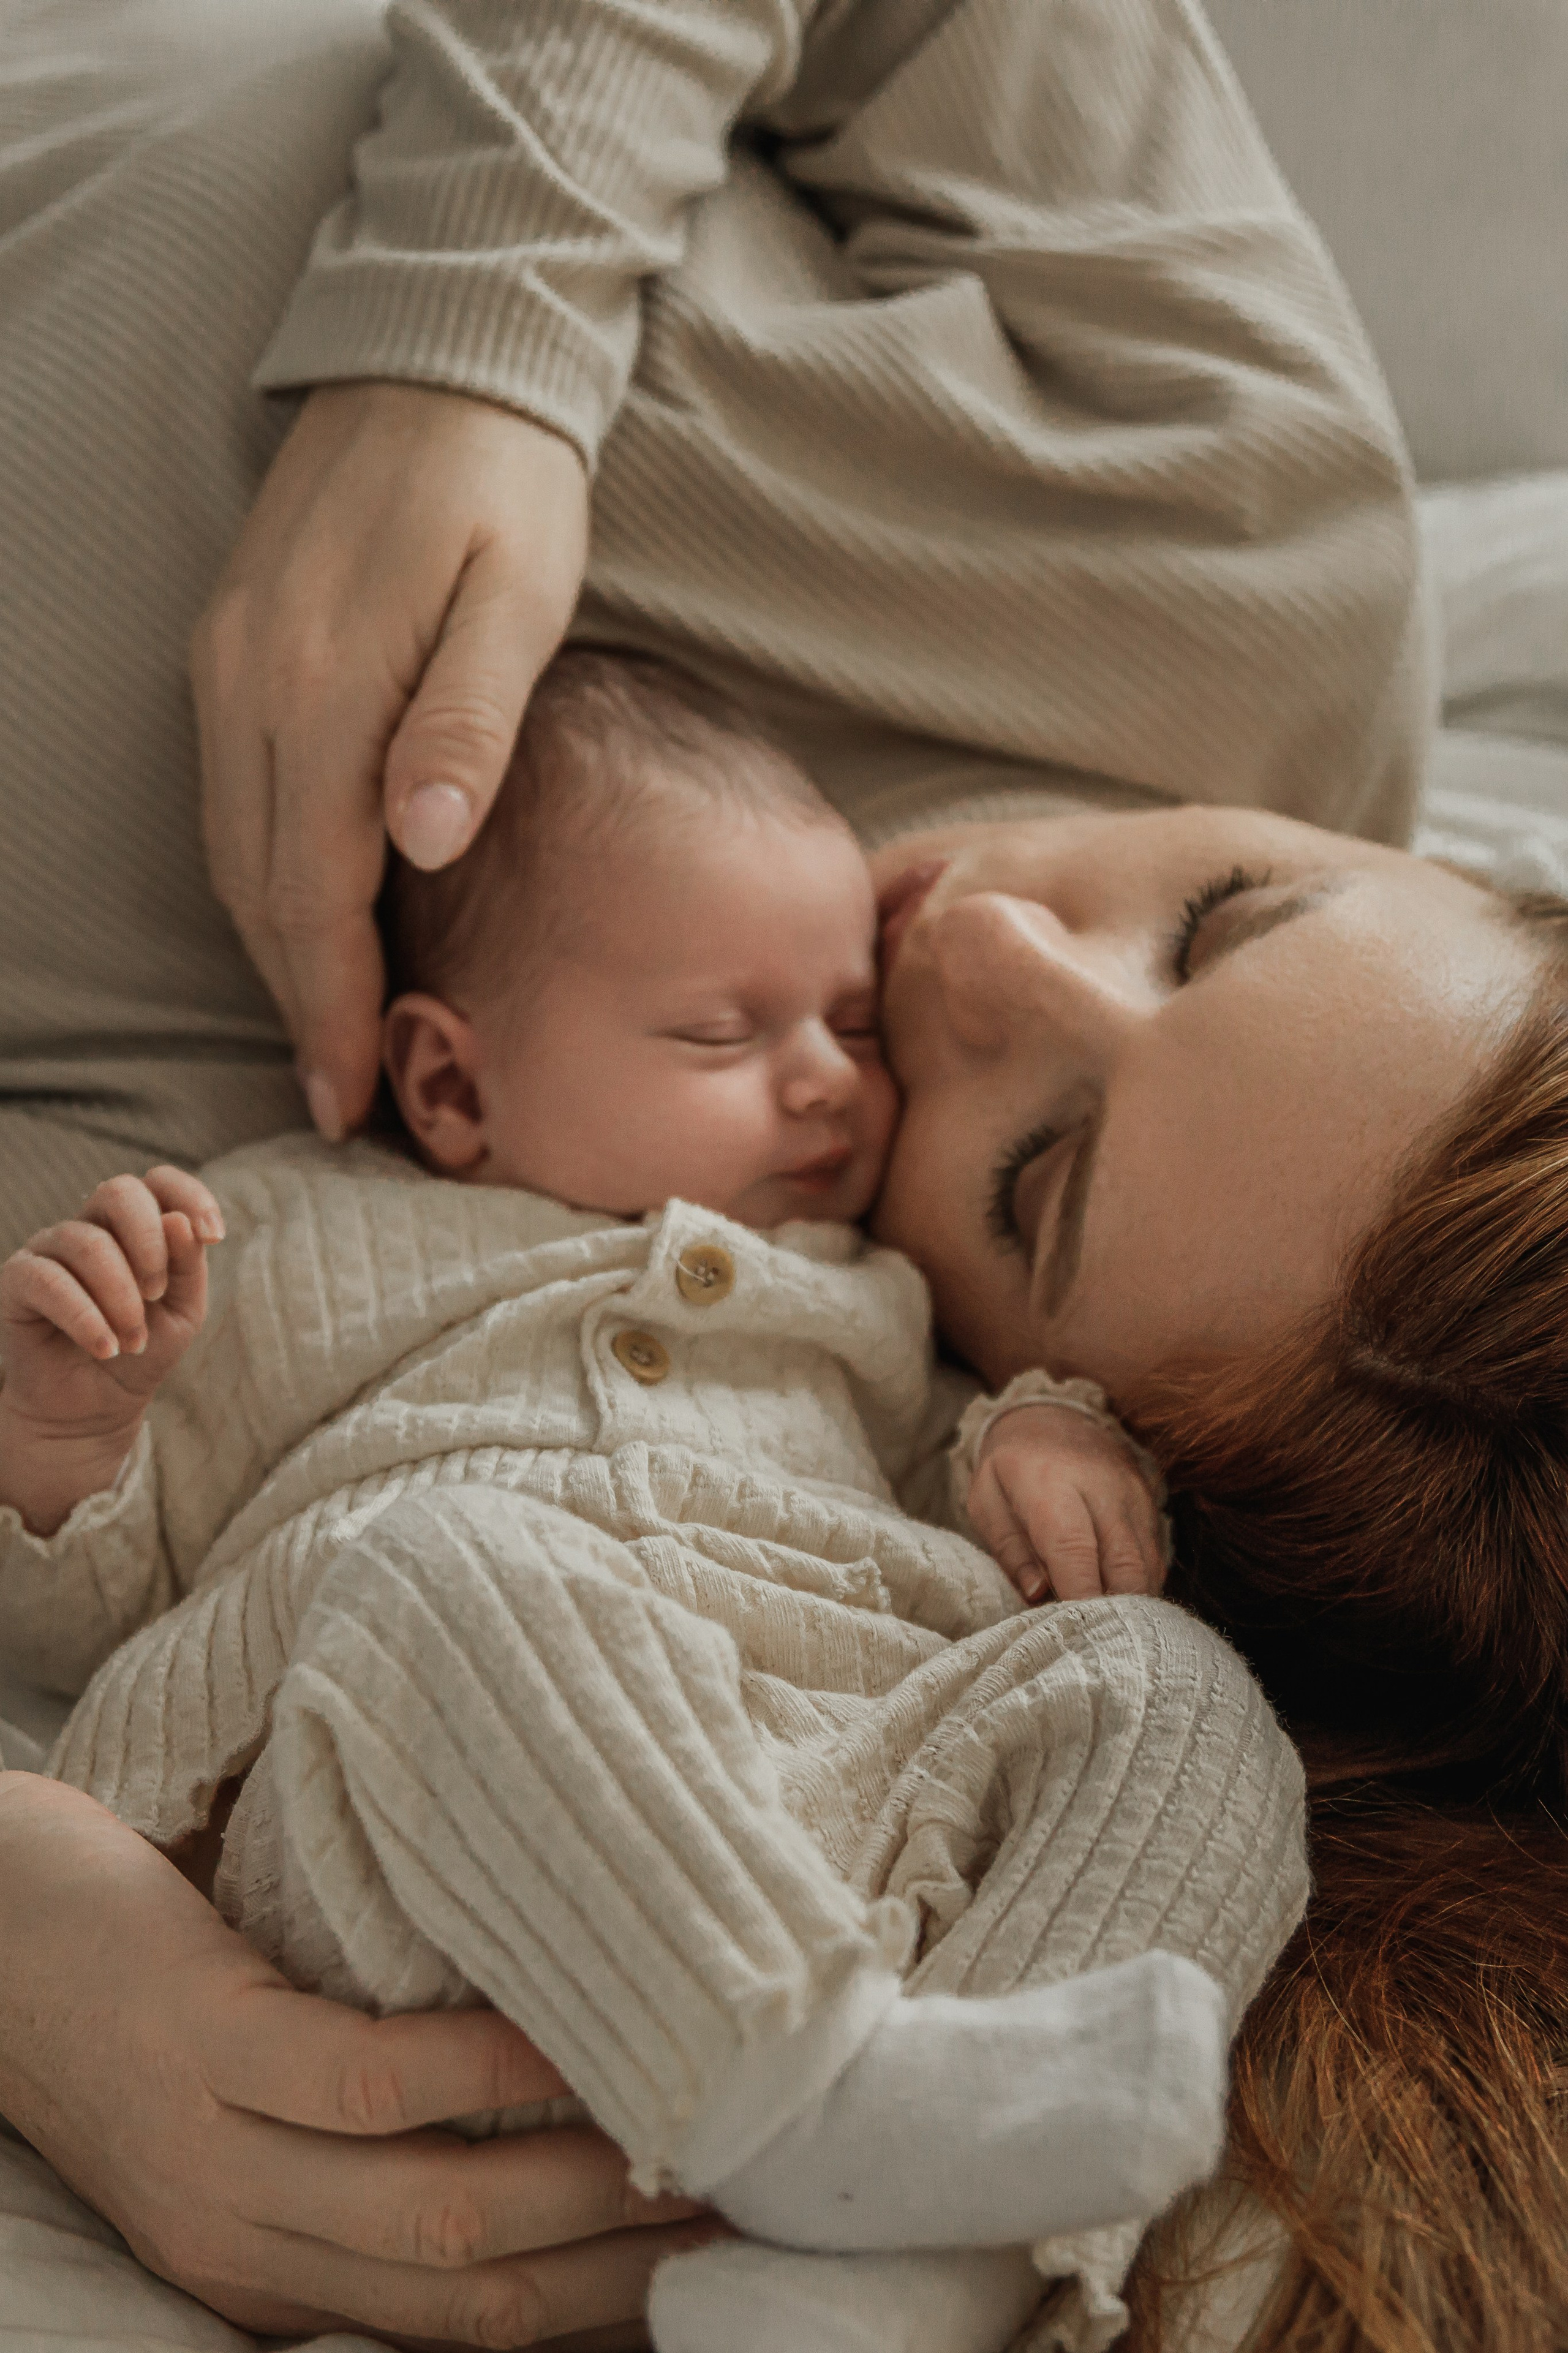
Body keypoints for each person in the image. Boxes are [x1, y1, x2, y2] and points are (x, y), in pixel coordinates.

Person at [4, 0, 1536, 2349]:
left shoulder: (299, 1255)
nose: (994, 937)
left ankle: (926, 2174)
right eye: (1235, 909)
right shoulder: (1253, 559)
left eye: (1036, 1178)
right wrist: (477, 329)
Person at [2, 649, 1268, 2353]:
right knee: (439, 1562)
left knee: (1174, 1684)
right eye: (726, 1031)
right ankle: (799, 2089)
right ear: (450, 1085)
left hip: (819, 1815)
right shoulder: (283, 1240)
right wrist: (74, 1425)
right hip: (421, 1853)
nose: (826, 1077)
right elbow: (97, 1602)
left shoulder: (865, 1291)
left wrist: (1040, 1439)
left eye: (844, 1020)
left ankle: (910, 2272)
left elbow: (947, 1469)